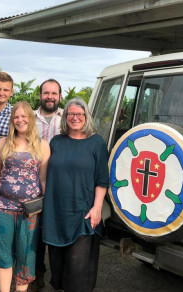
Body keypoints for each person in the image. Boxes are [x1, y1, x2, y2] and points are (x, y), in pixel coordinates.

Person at [42, 98, 109, 292]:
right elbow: (45, 175)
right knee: (59, 265)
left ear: (86, 117)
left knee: (79, 270)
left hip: (84, 213)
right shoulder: (56, 142)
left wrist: (97, 208)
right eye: (71, 114)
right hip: (57, 213)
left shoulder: (96, 143)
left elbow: (102, 180)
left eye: (80, 114)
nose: (75, 118)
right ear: (65, 117)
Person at [0, 101, 50, 292]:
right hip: (3, 206)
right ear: (12, 120)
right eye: (16, 117)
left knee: (26, 254)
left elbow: (43, 179)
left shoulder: (42, 145)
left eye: (24, 116)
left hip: (30, 210)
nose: (20, 120)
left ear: (30, 119)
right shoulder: (3, 143)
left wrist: (46, 209)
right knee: (2, 252)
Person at [31, 79, 63, 291]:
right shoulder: (29, 118)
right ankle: (37, 273)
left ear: (60, 96)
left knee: (58, 228)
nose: (50, 96)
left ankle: (61, 277)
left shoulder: (68, 118)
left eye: (54, 93)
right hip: (33, 182)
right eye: (46, 93)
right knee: (35, 231)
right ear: (40, 94)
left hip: (61, 182)